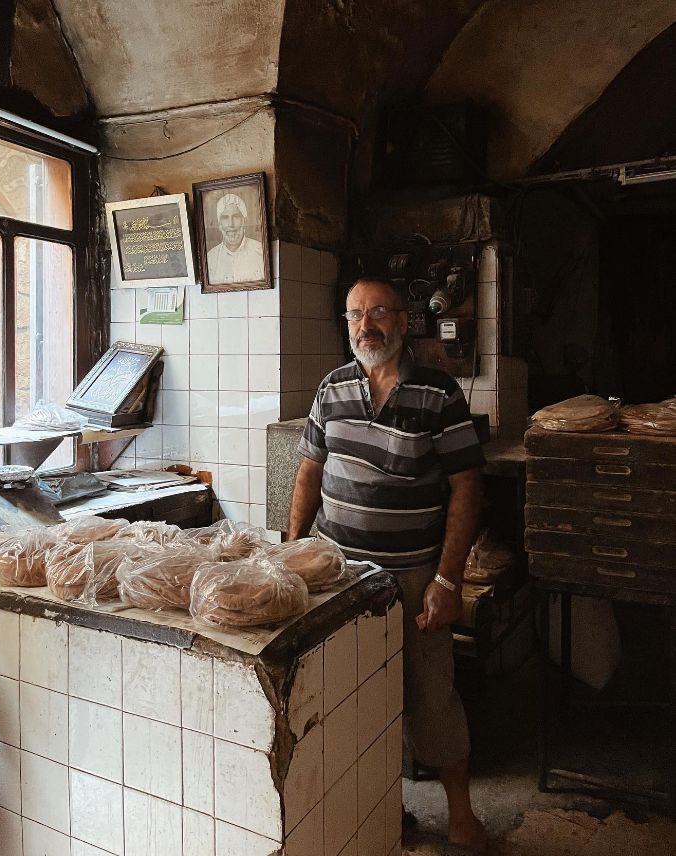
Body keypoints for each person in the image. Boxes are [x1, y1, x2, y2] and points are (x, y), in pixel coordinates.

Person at [288, 277, 488, 853]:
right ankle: (384, 807)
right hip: (335, 574)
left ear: (404, 322)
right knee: (352, 695)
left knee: (431, 696)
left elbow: (465, 487)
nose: (365, 326)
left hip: (411, 575)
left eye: (378, 313)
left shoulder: (438, 393)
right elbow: (309, 473)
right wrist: (291, 550)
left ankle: (461, 815)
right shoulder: (331, 390)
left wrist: (448, 580)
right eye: (355, 315)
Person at [206, 192, 264, 284]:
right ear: (219, 224)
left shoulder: (261, 252)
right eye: (225, 218)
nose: (231, 224)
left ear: (244, 221)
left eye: (236, 217)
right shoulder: (210, 259)